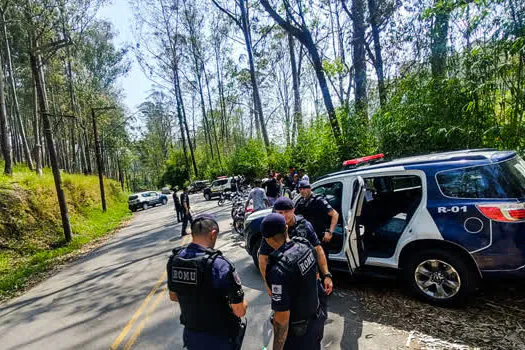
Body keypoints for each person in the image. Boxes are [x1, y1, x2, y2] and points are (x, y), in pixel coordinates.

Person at [167, 214, 248, 350]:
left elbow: (173, 296)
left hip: (192, 335)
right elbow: (239, 311)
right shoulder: (219, 265)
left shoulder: (175, 260)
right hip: (220, 338)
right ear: (213, 234)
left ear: (192, 233)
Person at [261, 213, 326, 350]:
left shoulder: (278, 269)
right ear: (286, 228)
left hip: (298, 335)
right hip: (316, 321)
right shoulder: (305, 245)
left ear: (267, 239)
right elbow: (315, 277)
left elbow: (282, 319)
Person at [258, 197, 332, 312]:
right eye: (280, 213)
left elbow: (318, 250)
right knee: (291, 318)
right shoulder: (273, 229)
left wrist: (326, 275)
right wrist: (268, 284)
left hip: (311, 279)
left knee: (319, 312)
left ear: (293, 210)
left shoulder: (305, 226)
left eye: (287, 212)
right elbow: (263, 259)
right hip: (289, 284)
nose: (283, 216)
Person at [294, 181, 339, 262]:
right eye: (300, 189)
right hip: (309, 236)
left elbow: (335, 214)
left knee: (323, 261)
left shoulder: (318, 200)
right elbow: (294, 214)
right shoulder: (301, 201)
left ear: (310, 188)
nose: (302, 191)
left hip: (320, 236)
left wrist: (330, 232)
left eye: (304, 188)